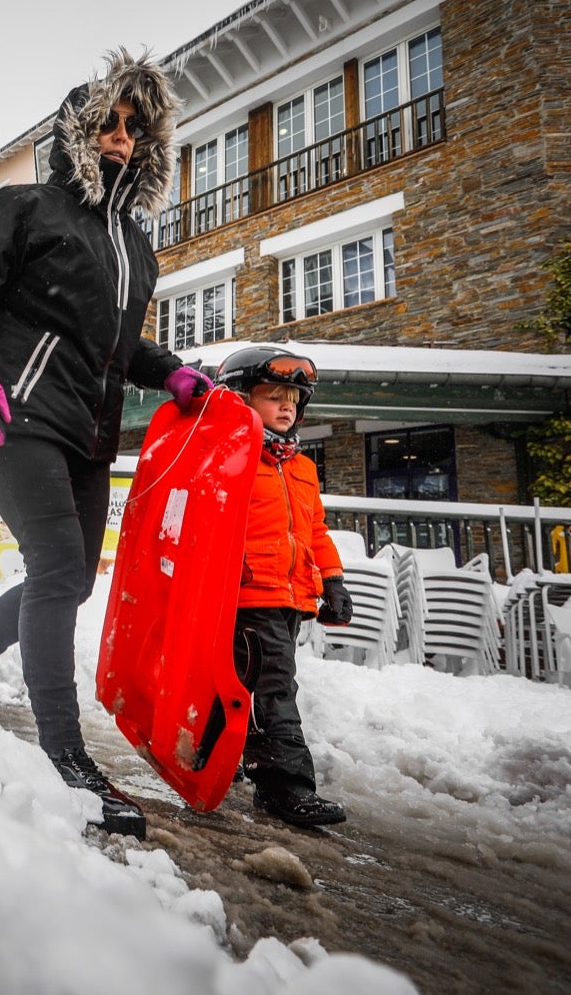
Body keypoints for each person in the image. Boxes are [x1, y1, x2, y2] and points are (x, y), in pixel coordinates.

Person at [0, 48, 211, 839]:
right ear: (77, 133)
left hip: (87, 431)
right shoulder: (24, 209)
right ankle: (65, 762)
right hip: (10, 413)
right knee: (56, 569)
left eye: (135, 128)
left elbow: (113, 344)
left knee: (73, 580)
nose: (122, 139)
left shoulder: (137, 248)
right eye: (108, 125)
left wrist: (171, 371)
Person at [217, 345, 354, 827]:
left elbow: (314, 531)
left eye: (294, 397)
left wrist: (332, 580)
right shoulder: (231, 457)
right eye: (272, 395)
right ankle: (285, 786)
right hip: (248, 596)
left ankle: (214, 756)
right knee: (274, 688)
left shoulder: (302, 467)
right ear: (240, 399)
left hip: (291, 598)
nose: (287, 405)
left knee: (243, 685)